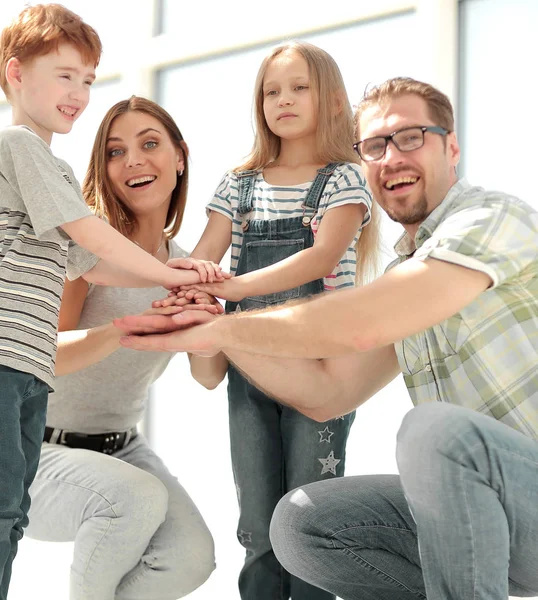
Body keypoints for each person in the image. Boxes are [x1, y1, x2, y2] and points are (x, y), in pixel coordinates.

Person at [115, 76, 538, 600]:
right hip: (495, 532)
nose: (392, 158)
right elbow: (327, 392)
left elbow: (360, 324)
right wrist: (213, 331)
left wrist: (228, 319)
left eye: (411, 137)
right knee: (302, 522)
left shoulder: (492, 218)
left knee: (435, 431)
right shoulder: (406, 270)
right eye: (376, 146)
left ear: (451, 147)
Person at [0, 5, 222, 598]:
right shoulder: (77, 240)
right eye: (116, 151)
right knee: (131, 499)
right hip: (41, 446)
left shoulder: (174, 264)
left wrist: (202, 318)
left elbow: (205, 376)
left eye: (150, 144)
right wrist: (126, 327)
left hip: (122, 446)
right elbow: (42, 352)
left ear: (179, 157)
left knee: (190, 557)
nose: (133, 161)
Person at [157, 40, 378, 600]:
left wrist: (228, 287)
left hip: (324, 371)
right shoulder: (239, 185)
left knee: (310, 520)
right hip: (249, 371)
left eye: (299, 87)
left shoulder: (345, 179)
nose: (283, 99)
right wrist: (183, 291)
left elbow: (320, 258)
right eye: (271, 90)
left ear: (331, 101)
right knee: (257, 524)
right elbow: (203, 261)